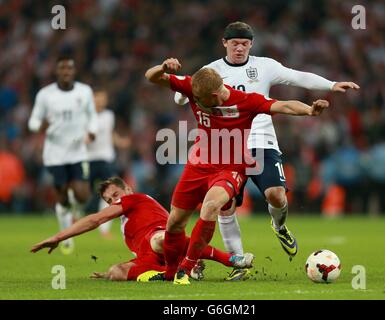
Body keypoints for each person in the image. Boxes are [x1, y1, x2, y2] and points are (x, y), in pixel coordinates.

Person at [175, 21, 360, 280]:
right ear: (224, 43)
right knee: (224, 207)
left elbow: (298, 76)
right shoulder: (210, 71)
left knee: (276, 195)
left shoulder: (265, 66)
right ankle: (239, 265)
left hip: (262, 141)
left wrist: (331, 85)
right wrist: (183, 94)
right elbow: (183, 94)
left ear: (251, 44)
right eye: (235, 43)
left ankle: (279, 225)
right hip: (227, 146)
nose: (239, 48)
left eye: (244, 43)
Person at [145, 57, 329, 285]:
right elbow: (151, 77)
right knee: (174, 222)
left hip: (231, 167)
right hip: (198, 165)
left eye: (200, 101)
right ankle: (171, 273)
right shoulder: (195, 86)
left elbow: (283, 105)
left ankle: (187, 268)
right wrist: (162, 67)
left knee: (212, 206)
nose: (196, 103)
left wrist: (310, 110)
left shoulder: (245, 101)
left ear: (214, 96)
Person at [30, 177, 254, 282]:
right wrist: (112, 272)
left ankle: (231, 259)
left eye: (115, 195)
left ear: (128, 188)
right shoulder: (126, 220)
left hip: (162, 242)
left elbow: (95, 220)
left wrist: (59, 236)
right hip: (152, 256)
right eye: (109, 200)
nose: (113, 202)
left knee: (160, 238)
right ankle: (176, 271)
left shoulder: (135, 199)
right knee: (116, 273)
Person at [28, 55, 98, 254]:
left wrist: (92, 131)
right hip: (55, 153)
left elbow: (92, 115)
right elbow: (33, 121)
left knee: (82, 195)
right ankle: (66, 236)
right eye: (62, 68)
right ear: (57, 71)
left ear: (74, 71)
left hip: (77, 152)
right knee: (62, 196)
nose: (66, 72)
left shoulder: (84, 91)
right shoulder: (45, 95)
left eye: (69, 68)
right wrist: (39, 126)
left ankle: (75, 205)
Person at [86, 88, 131, 238]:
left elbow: (110, 134)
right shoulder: (86, 117)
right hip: (89, 159)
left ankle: (104, 230)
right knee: (83, 194)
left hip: (106, 159)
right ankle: (75, 213)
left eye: (102, 98)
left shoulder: (109, 116)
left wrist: (121, 142)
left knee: (111, 192)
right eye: (97, 98)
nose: (100, 101)